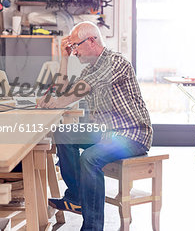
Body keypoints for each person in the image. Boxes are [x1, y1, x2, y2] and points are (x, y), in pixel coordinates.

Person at [38, 21, 153, 231]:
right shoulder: (91, 69)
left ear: (91, 41)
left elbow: (75, 93)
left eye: (75, 46)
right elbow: (65, 92)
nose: (74, 52)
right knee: (63, 133)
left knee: (89, 158)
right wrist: (63, 59)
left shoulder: (115, 62)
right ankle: (76, 197)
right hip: (107, 133)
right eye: (71, 48)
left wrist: (53, 103)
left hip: (132, 135)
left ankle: (92, 228)